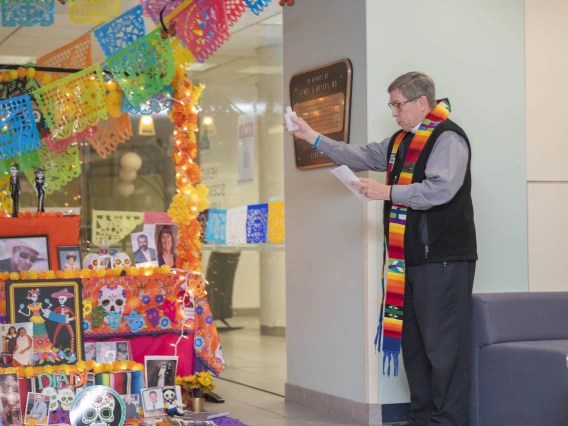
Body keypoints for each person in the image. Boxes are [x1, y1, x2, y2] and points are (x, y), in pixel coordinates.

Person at [284, 72, 477, 426]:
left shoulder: (447, 138)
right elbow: (357, 154)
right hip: (409, 261)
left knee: (443, 348)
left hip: (444, 260)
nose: (394, 112)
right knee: (414, 346)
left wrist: (385, 192)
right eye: (392, 105)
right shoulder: (401, 141)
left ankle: (449, 421)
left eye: (398, 105)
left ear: (422, 103)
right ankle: (422, 419)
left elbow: (440, 190)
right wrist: (310, 136)